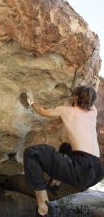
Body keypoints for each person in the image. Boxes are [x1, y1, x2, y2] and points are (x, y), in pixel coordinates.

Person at [23, 86, 104, 217]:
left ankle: (44, 207)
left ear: (76, 97)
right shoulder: (92, 112)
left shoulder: (66, 110)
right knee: (66, 147)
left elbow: (43, 111)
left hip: (81, 170)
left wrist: (31, 101)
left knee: (32, 153)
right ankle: (55, 184)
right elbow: (91, 96)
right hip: (98, 171)